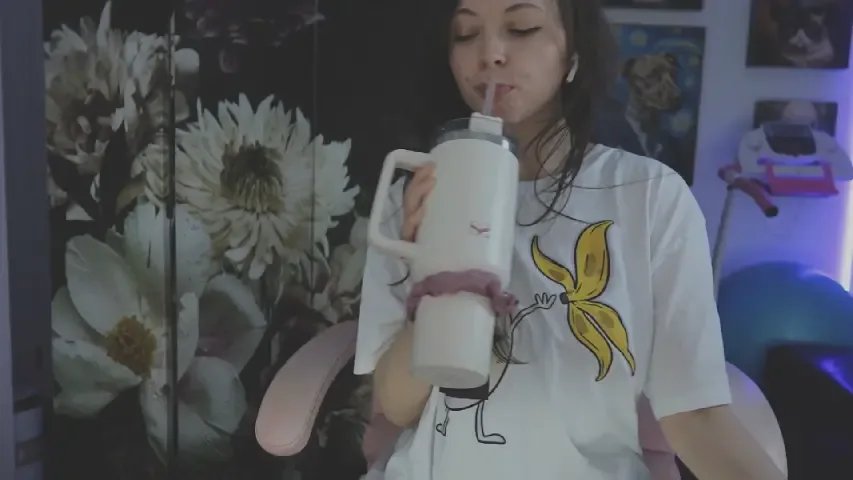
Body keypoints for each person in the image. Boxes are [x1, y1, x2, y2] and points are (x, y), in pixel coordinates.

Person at [354, 0, 787, 478]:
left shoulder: (649, 196)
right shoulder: (417, 196)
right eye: (465, 33)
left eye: (522, 27)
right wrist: (441, 269)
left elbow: (697, 418)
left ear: (575, 53)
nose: (490, 53)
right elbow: (397, 406)